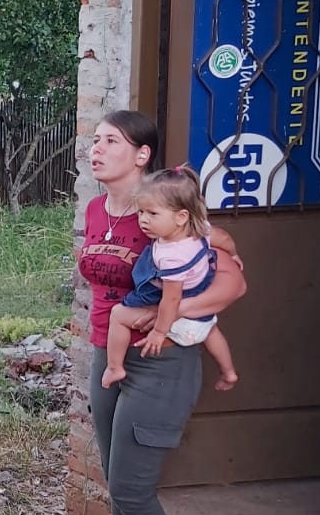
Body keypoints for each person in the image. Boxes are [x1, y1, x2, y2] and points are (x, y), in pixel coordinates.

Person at [73, 111, 247, 515]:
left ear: (141, 154)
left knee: (132, 484)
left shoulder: (167, 214)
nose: (96, 149)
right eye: (96, 140)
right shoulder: (97, 209)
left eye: (111, 141)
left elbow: (233, 284)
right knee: (114, 475)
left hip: (160, 362)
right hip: (108, 354)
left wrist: (164, 315)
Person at [102, 165, 239, 394]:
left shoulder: (171, 256)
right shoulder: (200, 230)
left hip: (176, 313)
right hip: (200, 310)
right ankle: (228, 371)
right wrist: (234, 254)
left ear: (181, 217)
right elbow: (223, 238)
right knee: (210, 330)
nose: (143, 220)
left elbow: (171, 299)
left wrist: (159, 331)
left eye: (152, 214)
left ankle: (115, 367)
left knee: (118, 315)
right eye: (141, 212)